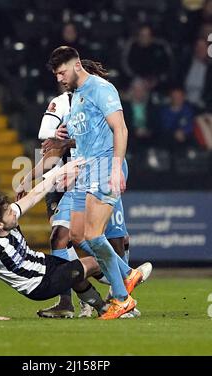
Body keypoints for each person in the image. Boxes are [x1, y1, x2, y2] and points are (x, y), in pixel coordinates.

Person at [0, 161, 143, 320]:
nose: (14, 211)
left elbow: (35, 195)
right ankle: (123, 291)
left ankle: (105, 308)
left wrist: (58, 174)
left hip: (43, 263)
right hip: (39, 284)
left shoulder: (6, 220)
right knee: (94, 262)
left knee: (76, 272)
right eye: (9, 213)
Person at [47, 46, 138, 320]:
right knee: (76, 236)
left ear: (76, 65)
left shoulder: (101, 88)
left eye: (62, 72)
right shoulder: (76, 97)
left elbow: (119, 128)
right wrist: (63, 139)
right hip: (83, 171)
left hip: (103, 166)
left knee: (95, 235)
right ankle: (127, 273)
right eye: (56, 75)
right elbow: (85, 134)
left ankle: (122, 298)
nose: (60, 78)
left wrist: (115, 168)